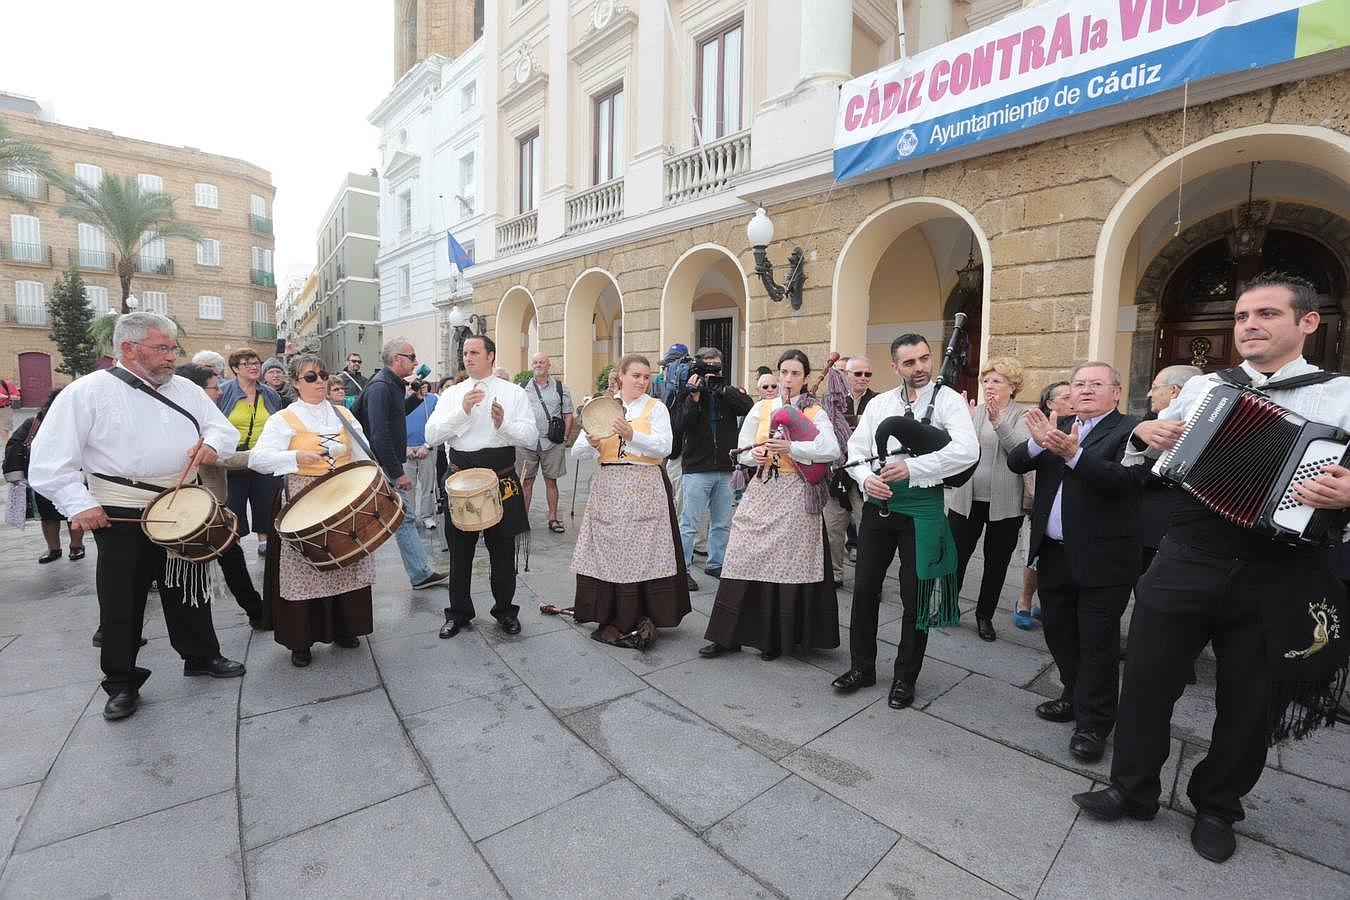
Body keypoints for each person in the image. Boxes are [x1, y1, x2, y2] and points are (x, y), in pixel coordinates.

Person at [1074, 272, 1350, 864]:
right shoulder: (1204, 389)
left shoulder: (1342, 396)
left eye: (1268, 315)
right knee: (1147, 677)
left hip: (1281, 564)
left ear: (1308, 323)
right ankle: (1133, 787)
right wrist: (1141, 435)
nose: (1250, 326)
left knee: (1251, 697)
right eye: (1244, 315)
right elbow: (1150, 461)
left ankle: (1218, 806)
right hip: (1190, 549)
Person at [29, 312, 246, 721]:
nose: (171, 356)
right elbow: (48, 462)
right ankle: (122, 681)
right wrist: (79, 504)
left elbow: (221, 429)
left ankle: (200, 654)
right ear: (128, 349)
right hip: (119, 510)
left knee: (186, 582)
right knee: (122, 596)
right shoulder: (85, 393)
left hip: (181, 503)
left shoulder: (184, 388)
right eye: (161, 348)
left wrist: (211, 446)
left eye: (171, 348)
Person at [832, 334, 979, 709]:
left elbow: (966, 451)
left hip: (923, 509)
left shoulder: (948, 401)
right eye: (910, 362)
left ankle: (904, 677)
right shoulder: (880, 403)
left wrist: (912, 467)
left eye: (924, 359)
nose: (920, 368)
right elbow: (858, 448)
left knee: (915, 598)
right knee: (864, 589)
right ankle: (862, 667)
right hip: (879, 507)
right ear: (895, 367)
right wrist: (867, 479)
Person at [1007, 362, 1140, 763]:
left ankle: (1094, 724)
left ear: (1115, 392)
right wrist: (1039, 443)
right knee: (1060, 632)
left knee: (1097, 643)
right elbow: (1017, 462)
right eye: (1079, 383)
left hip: (1104, 558)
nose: (1085, 390)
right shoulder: (1058, 424)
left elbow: (1125, 482)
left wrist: (1074, 454)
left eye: (1096, 384)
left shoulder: (1132, 431)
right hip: (1054, 552)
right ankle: (1073, 693)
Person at [701, 349, 841, 661]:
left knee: (785, 565)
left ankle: (774, 640)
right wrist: (756, 456)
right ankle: (727, 636)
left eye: (795, 374)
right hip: (763, 489)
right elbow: (741, 450)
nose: (789, 379)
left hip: (795, 493)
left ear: (805, 378)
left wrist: (793, 446)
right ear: (777, 375)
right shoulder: (762, 409)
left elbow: (831, 449)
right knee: (739, 555)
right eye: (784, 373)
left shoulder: (813, 411)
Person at [248, 354, 377, 667]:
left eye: (322, 375)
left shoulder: (344, 414)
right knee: (305, 566)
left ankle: (346, 627)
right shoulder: (284, 419)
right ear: (295, 382)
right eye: (310, 377)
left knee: (346, 561)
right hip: (303, 498)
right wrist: (294, 458)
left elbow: (363, 453)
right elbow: (258, 459)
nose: (319, 381)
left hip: (343, 497)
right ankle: (301, 640)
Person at [569, 354, 691, 647]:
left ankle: (644, 610)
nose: (641, 381)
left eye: (646, 377)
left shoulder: (655, 408)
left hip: (644, 483)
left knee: (644, 550)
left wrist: (632, 433)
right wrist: (590, 442)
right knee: (610, 549)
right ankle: (608, 610)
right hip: (609, 485)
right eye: (636, 375)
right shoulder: (601, 407)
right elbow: (576, 453)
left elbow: (666, 446)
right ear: (620, 376)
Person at [425, 334, 538, 638]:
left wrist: (504, 425)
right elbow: (431, 434)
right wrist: (461, 410)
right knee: (460, 552)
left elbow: (530, 436)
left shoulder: (513, 393)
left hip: (501, 478)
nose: (468, 357)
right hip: (461, 478)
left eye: (475, 352)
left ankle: (505, 610)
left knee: (502, 551)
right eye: (465, 352)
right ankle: (458, 612)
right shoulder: (451, 395)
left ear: (491, 356)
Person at [946, 357, 1031, 642]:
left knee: (996, 563)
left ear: (1013, 386)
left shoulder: (1023, 415)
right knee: (955, 558)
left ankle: (985, 616)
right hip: (965, 499)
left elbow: (1020, 452)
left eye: (997, 381)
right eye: (986, 381)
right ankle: (948, 607)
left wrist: (998, 422)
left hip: (1005, 503)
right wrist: (962, 424)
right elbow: (957, 450)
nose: (989, 386)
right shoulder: (974, 411)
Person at [175, 364, 264, 629]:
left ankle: (257, 611)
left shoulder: (206, 417)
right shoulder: (186, 421)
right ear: (197, 391)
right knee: (223, 559)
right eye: (215, 388)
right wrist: (270, 457)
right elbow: (222, 458)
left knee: (230, 557)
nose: (221, 393)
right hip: (191, 509)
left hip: (209, 507)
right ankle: (256, 612)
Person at [361, 338, 449, 591]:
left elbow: (396, 414)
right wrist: (398, 473)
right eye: (412, 357)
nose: (416, 362)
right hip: (385, 464)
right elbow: (379, 434)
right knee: (403, 517)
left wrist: (413, 398)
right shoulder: (381, 387)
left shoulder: (392, 385)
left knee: (403, 518)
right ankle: (419, 573)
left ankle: (420, 572)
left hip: (386, 463)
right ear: (396, 359)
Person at [672, 347, 755, 588]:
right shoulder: (687, 392)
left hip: (725, 468)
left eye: (716, 368)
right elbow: (680, 425)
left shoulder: (728, 392)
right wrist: (694, 398)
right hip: (697, 468)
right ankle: (683, 569)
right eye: (707, 367)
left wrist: (725, 391)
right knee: (689, 524)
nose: (712, 372)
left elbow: (750, 409)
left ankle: (716, 563)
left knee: (721, 522)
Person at [1014, 381, 1072, 629]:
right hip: (1040, 504)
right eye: (1067, 396)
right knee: (1035, 556)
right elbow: (1019, 461)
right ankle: (1024, 601)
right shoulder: (1039, 425)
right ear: (1050, 403)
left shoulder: (1082, 425)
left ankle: (1049, 605)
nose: (1073, 400)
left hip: (1070, 509)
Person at [217, 348, 284, 558]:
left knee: (266, 502)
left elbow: (278, 424)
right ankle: (232, 545)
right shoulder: (223, 391)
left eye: (256, 362)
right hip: (233, 459)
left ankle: (265, 542)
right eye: (247, 363)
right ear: (235, 369)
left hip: (263, 457)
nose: (254, 367)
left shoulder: (270, 393)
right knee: (233, 505)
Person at [4, 389, 85, 564]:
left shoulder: (78, 422)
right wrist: (16, 476)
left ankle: (76, 546)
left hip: (73, 476)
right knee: (47, 515)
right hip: (42, 478)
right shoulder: (33, 423)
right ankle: (53, 549)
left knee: (76, 512)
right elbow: (15, 446)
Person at [1138, 365, 1202, 574]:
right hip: (1150, 530)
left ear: (1174, 391)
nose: (1149, 394)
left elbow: (1144, 473)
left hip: (1168, 530)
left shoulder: (1184, 427)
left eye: (1155, 387)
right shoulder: (1149, 421)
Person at [822, 355, 879, 583]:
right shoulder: (833, 402)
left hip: (865, 476)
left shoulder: (878, 401)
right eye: (858, 374)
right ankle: (834, 575)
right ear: (846, 375)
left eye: (868, 374)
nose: (863, 378)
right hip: (837, 476)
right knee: (832, 531)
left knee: (870, 531)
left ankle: (868, 579)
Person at [518, 352, 575, 534]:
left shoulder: (560, 388)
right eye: (535, 362)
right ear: (532, 365)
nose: (538, 365)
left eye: (542, 362)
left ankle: (553, 518)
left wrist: (564, 439)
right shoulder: (522, 388)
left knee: (552, 482)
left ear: (549, 365)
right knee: (526, 482)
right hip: (527, 443)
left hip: (552, 443)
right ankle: (523, 520)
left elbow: (568, 415)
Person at [405, 373, 440, 529]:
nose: (412, 388)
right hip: (405, 448)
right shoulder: (399, 400)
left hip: (427, 447)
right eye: (409, 384)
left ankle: (427, 515)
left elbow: (437, 425)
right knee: (408, 486)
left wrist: (428, 445)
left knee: (427, 484)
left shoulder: (431, 400)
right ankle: (410, 517)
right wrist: (403, 447)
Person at [0, 371, 18, 443]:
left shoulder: (6, 384)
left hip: (4, 409)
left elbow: (17, 397)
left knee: (4, 431)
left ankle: (7, 452)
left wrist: (4, 396)